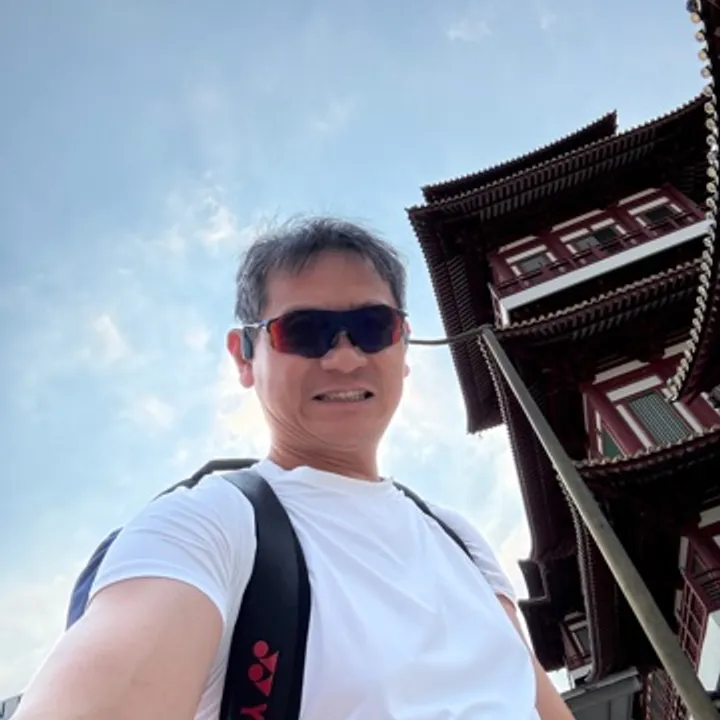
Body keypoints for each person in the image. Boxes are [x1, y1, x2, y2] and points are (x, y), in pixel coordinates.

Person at [14, 218, 573, 720]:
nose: (345, 357)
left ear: (404, 346)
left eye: (373, 326)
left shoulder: (458, 538)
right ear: (244, 357)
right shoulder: (208, 526)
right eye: (304, 331)